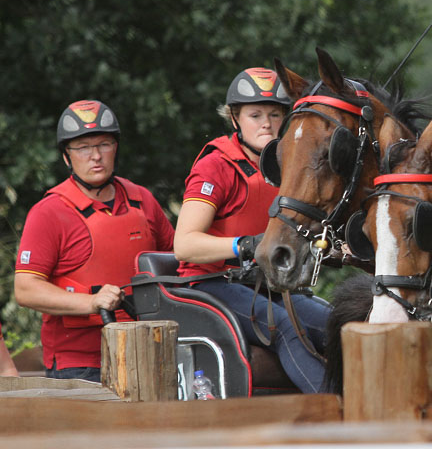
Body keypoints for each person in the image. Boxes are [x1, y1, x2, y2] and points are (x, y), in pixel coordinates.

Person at [173, 67, 331, 393]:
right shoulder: (215, 166)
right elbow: (184, 245)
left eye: (275, 114)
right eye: (255, 115)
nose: (266, 124)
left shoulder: (291, 165)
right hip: (211, 283)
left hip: (267, 284)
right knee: (282, 325)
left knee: (335, 325)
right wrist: (245, 245)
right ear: (235, 119)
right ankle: (336, 407)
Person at [15, 100, 175, 381]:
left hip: (148, 349)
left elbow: (176, 262)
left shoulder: (142, 200)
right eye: (83, 147)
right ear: (67, 157)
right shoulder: (49, 212)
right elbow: (26, 289)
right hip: (80, 363)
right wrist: (91, 302)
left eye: (104, 144)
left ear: (116, 148)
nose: (96, 156)